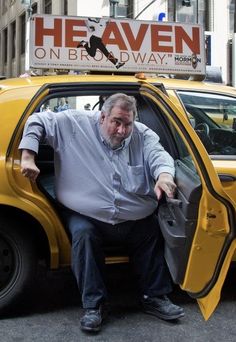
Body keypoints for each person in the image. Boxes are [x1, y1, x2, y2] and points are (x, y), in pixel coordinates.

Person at [19, 93, 184, 333]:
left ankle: (155, 297)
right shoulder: (75, 124)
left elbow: (159, 156)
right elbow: (37, 121)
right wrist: (28, 156)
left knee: (150, 230)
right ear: (102, 116)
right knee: (84, 235)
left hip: (132, 216)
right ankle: (94, 306)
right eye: (116, 122)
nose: (122, 130)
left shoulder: (142, 134)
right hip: (86, 213)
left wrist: (164, 176)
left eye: (128, 124)